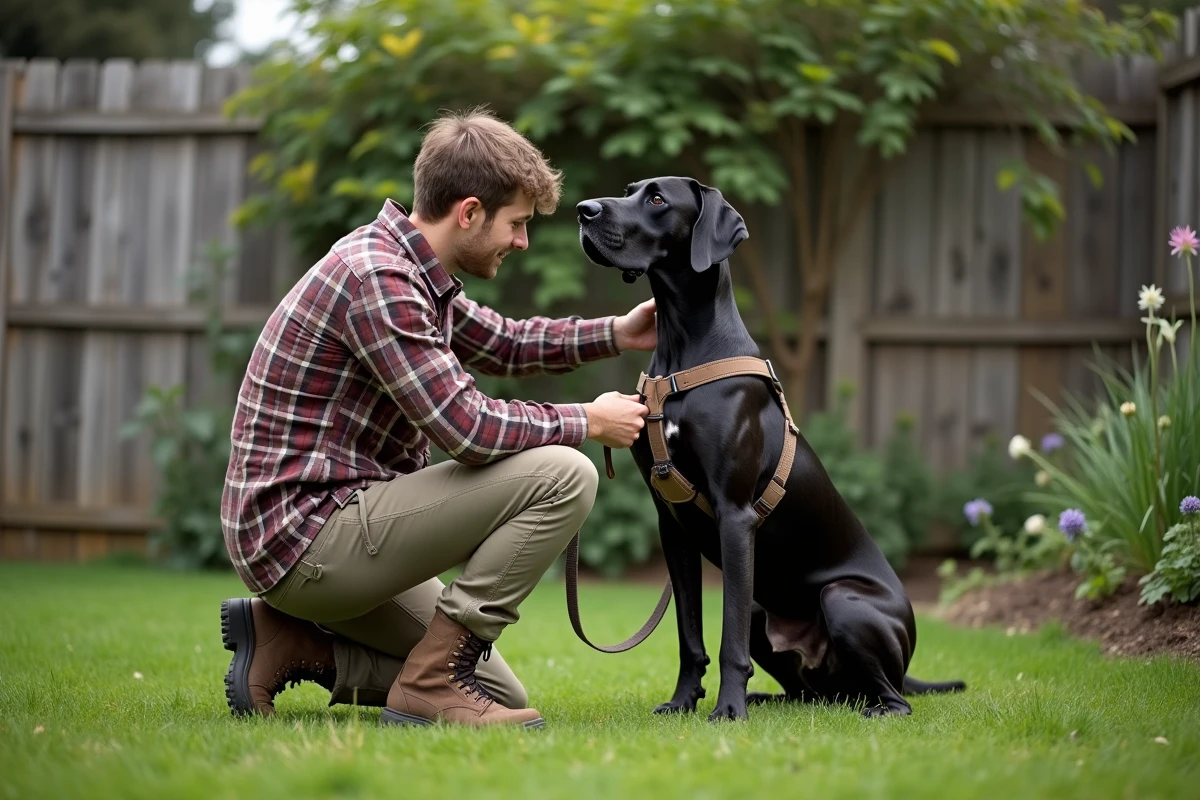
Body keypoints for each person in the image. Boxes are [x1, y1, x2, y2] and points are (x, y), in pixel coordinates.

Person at [218, 109, 654, 729]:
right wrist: (587, 419)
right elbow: (468, 430)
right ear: (469, 212)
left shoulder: (414, 272)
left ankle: (291, 644)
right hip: (304, 535)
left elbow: (504, 343)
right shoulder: (379, 278)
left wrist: (616, 333)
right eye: (517, 224)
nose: (522, 242)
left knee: (495, 691)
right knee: (564, 473)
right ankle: (427, 681)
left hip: (326, 529)